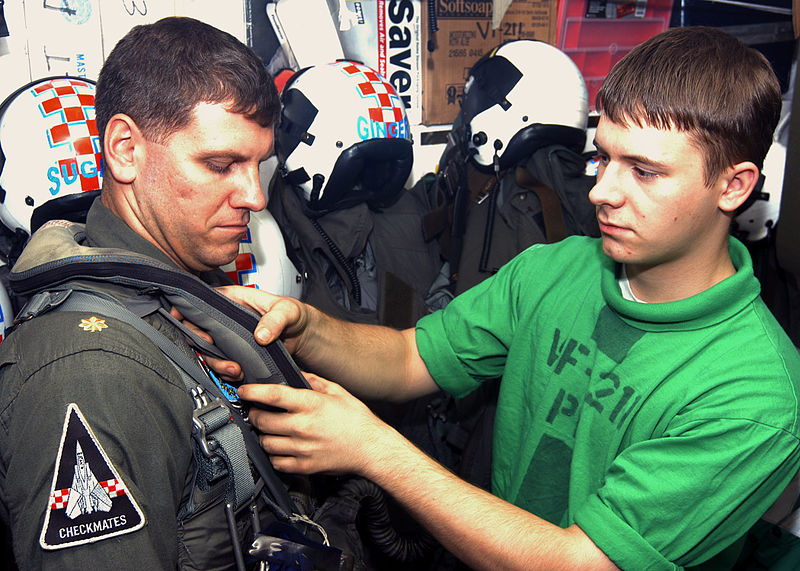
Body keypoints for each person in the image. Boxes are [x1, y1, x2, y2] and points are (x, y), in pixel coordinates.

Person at [229, 26, 800, 569]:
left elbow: (579, 561)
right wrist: (306, 326)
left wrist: (372, 448)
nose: (602, 191)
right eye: (603, 157)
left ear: (734, 186)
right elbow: (411, 359)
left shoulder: (754, 396)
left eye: (644, 172)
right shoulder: (553, 270)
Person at [0, 16, 288, 569]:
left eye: (259, 165)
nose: (254, 195)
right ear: (126, 150)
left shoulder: (169, 294)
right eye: (222, 165)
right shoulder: (89, 371)